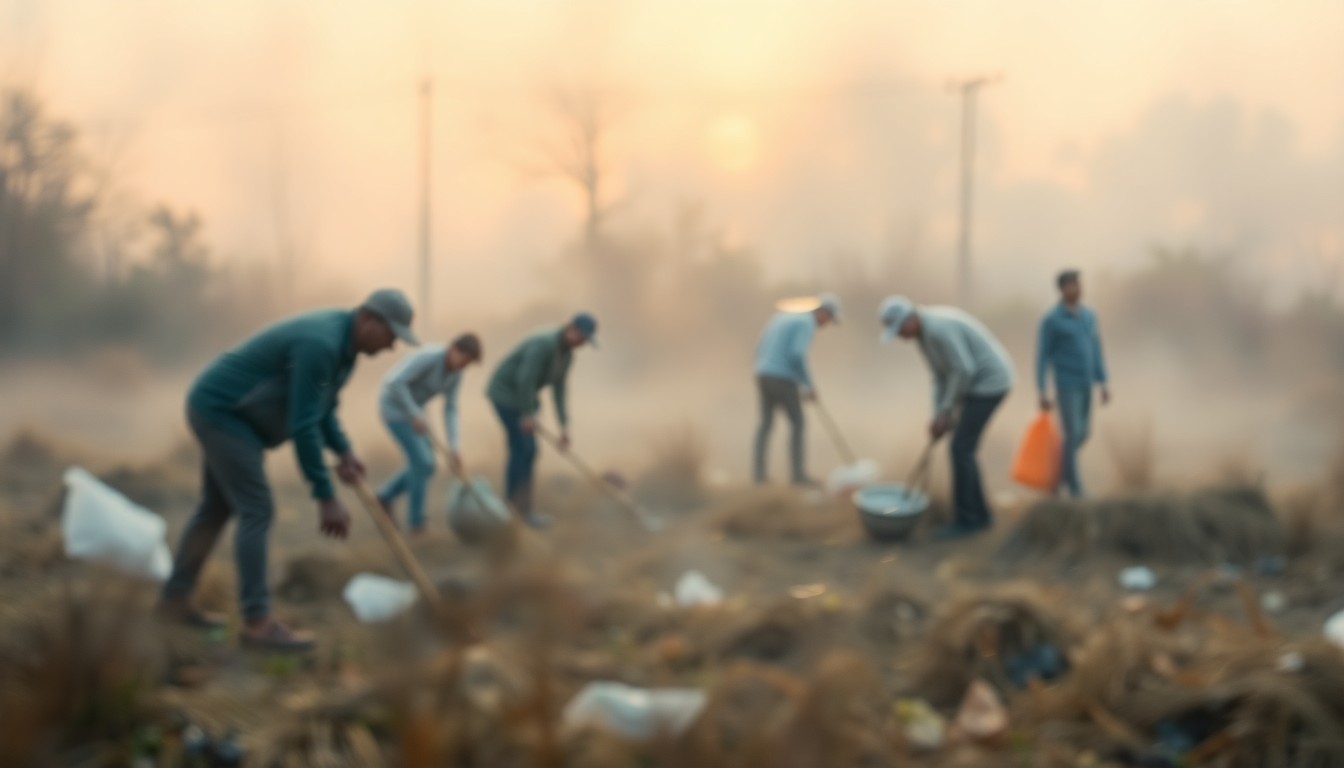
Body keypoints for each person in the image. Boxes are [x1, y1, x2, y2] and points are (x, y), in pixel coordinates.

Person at [158, 288, 417, 650]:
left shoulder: (343, 349)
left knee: (216, 508)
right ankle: (257, 623)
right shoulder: (322, 345)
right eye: (391, 335)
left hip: (230, 414)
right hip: (222, 412)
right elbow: (303, 425)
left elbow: (321, 407)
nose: (391, 347)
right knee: (257, 509)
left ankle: (174, 600)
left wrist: (343, 451)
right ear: (368, 319)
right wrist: (325, 495)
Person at [879, 295, 1013, 540]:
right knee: (964, 448)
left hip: (990, 383)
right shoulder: (922, 336)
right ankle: (981, 515)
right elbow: (940, 377)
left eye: (899, 330)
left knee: (960, 448)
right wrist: (938, 415)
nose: (900, 336)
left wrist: (947, 410)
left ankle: (968, 520)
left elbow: (963, 369)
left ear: (910, 319)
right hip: (973, 385)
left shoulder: (938, 329)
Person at [486, 312, 597, 529]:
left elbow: (560, 391)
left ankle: (521, 510)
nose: (583, 343)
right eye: (582, 337)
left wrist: (564, 427)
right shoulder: (543, 343)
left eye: (586, 340)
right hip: (505, 394)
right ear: (571, 329)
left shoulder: (567, 355)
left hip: (524, 399)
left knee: (528, 450)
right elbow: (524, 378)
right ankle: (513, 510)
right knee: (523, 447)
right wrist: (527, 413)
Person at [376, 333, 484, 534]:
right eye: (464, 360)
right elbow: (394, 382)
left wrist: (454, 446)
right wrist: (414, 413)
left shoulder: (456, 373)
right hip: (394, 409)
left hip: (416, 416)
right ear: (453, 349)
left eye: (468, 364)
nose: (463, 366)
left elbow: (450, 408)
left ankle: (384, 496)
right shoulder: (429, 356)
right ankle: (417, 524)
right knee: (421, 462)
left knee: (429, 465)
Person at [752, 293, 842, 486]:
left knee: (765, 424)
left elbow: (760, 344)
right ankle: (798, 476)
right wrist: (809, 386)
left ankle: (758, 476)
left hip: (762, 373)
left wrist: (762, 368)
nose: (826, 325)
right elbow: (797, 355)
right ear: (823, 312)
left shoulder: (782, 316)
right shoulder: (806, 323)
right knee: (798, 423)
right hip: (782, 377)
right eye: (829, 319)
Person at [1036, 270, 1110, 498]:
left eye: (1078, 285)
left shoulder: (1089, 316)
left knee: (1084, 434)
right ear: (1061, 289)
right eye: (1071, 286)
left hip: (1086, 382)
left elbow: (1096, 349)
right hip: (1066, 385)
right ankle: (1075, 489)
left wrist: (1103, 381)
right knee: (1071, 434)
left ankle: (1056, 477)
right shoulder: (1052, 320)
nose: (1076, 289)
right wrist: (1042, 390)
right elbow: (1042, 357)